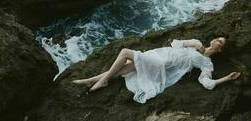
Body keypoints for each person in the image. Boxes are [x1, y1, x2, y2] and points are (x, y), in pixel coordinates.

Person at [72, 37, 241, 103]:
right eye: (217, 38)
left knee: (125, 52)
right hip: (159, 54)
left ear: (220, 50)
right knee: (127, 68)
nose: (217, 40)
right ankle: (93, 80)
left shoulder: (207, 63)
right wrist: (192, 43)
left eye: (221, 41)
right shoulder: (197, 42)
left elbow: (206, 82)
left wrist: (226, 78)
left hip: (162, 64)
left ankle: (101, 81)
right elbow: (175, 43)